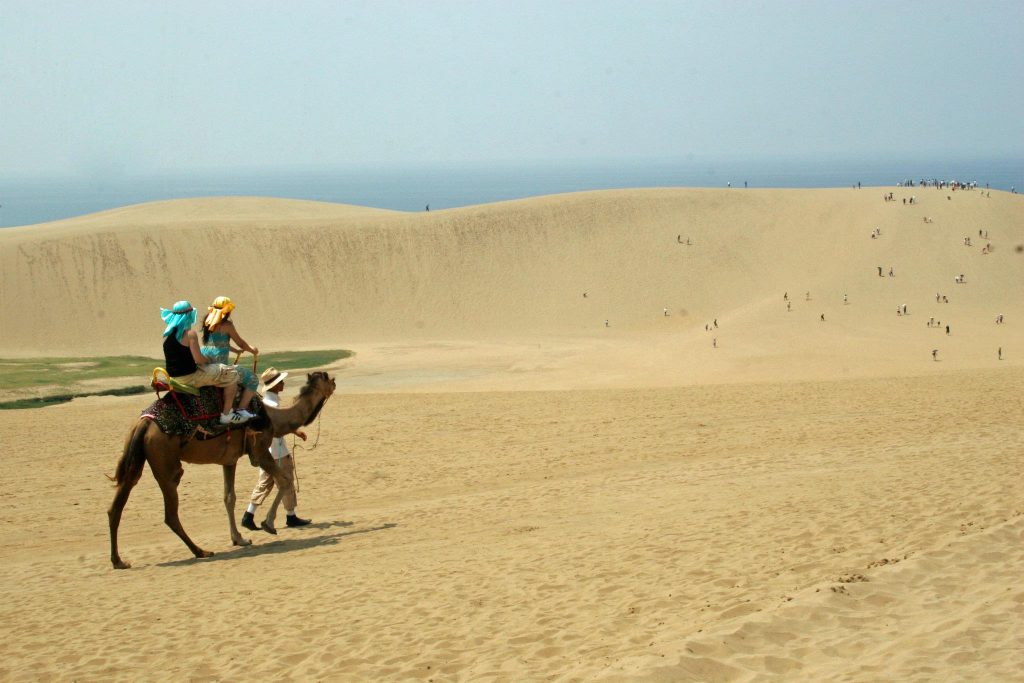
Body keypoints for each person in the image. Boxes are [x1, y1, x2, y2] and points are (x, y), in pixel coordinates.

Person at [241, 368, 311, 531]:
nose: (283, 384)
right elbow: (277, 427)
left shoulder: (267, 403)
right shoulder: (272, 405)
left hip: (269, 451)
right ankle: (290, 516)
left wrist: (295, 431)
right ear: (274, 386)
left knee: (266, 483)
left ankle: (250, 515)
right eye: (280, 382)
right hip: (277, 452)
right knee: (284, 481)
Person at [159, 300, 247, 424]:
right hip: (190, 377)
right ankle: (227, 414)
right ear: (188, 316)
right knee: (231, 373)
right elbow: (199, 359)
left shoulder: (166, 336)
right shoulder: (190, 334)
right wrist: (208, 360)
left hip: (173, 378)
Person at [200, 296, 260, 419]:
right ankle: (241, 409)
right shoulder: (226, 325)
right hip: (219, 367)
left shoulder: (208, 321)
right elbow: (241, 343)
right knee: (253, 379)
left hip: (205, 364)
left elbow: (217, 343)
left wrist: (235, 351)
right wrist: (253, 350)